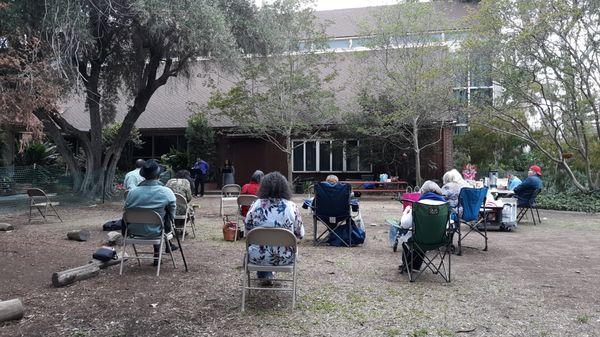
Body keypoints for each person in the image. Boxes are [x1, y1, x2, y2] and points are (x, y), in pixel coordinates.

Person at [245, 172, 304, 285]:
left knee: (261, 244)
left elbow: (248, 232)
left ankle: (265, 274)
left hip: (257, 257)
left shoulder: (256, 205)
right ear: (285, 188)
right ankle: (267, 274)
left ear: (263, 187)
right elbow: (300, 234)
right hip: (284, 257)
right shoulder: (292, 207)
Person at [124, 160, 177, 265]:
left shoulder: (131, 193)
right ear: (158, 175)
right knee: (163, 217)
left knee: (160, 217)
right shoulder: (166, 192)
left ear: (143, 175)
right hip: (157, 231)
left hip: (134, 231)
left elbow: (126, 210)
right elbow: (172, 214)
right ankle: (161, 252)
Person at [398, 180, 445, 272]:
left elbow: (405, 224)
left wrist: (406, 212)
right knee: (422, 235)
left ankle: (409, 266)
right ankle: (415, 266)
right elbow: (447, 225)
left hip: (419, 240)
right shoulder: (445, 205)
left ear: (422, 191)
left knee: (406, 234)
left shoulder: (419, 205)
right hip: (439, 240)